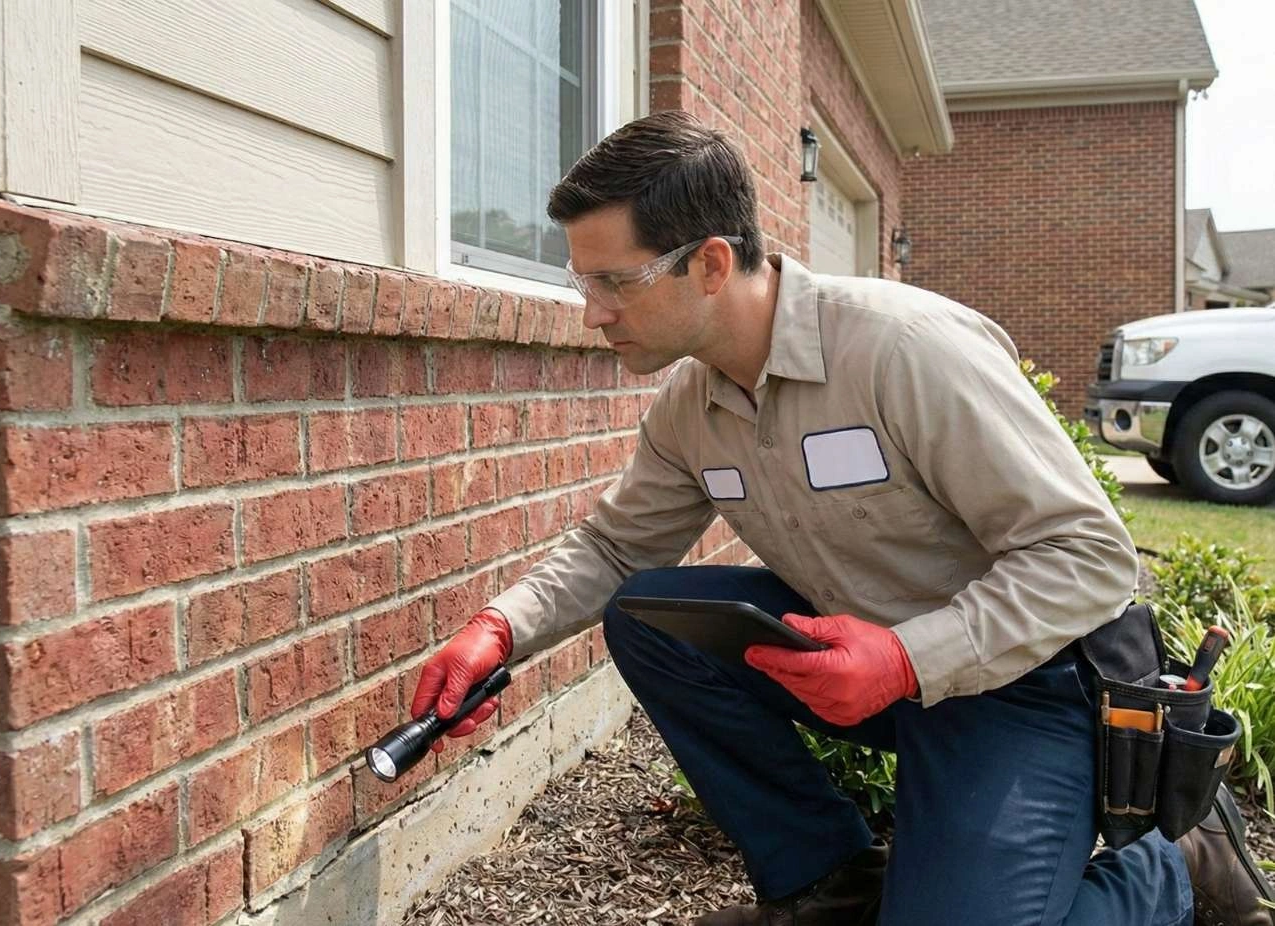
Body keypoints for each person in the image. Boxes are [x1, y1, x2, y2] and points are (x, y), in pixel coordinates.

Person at [408, 111, 1274, 925]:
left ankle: (1170, 862)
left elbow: (1091, 558)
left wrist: (905, 658)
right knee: (648, 616)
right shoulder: (690, 403)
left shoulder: (904, 350)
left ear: (711, 263)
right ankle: (828, 881)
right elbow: (613, 546)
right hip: (870, 661)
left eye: (613, 281)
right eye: (579, 279)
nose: (591, 310)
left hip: (1031, 685)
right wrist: (497, 630)